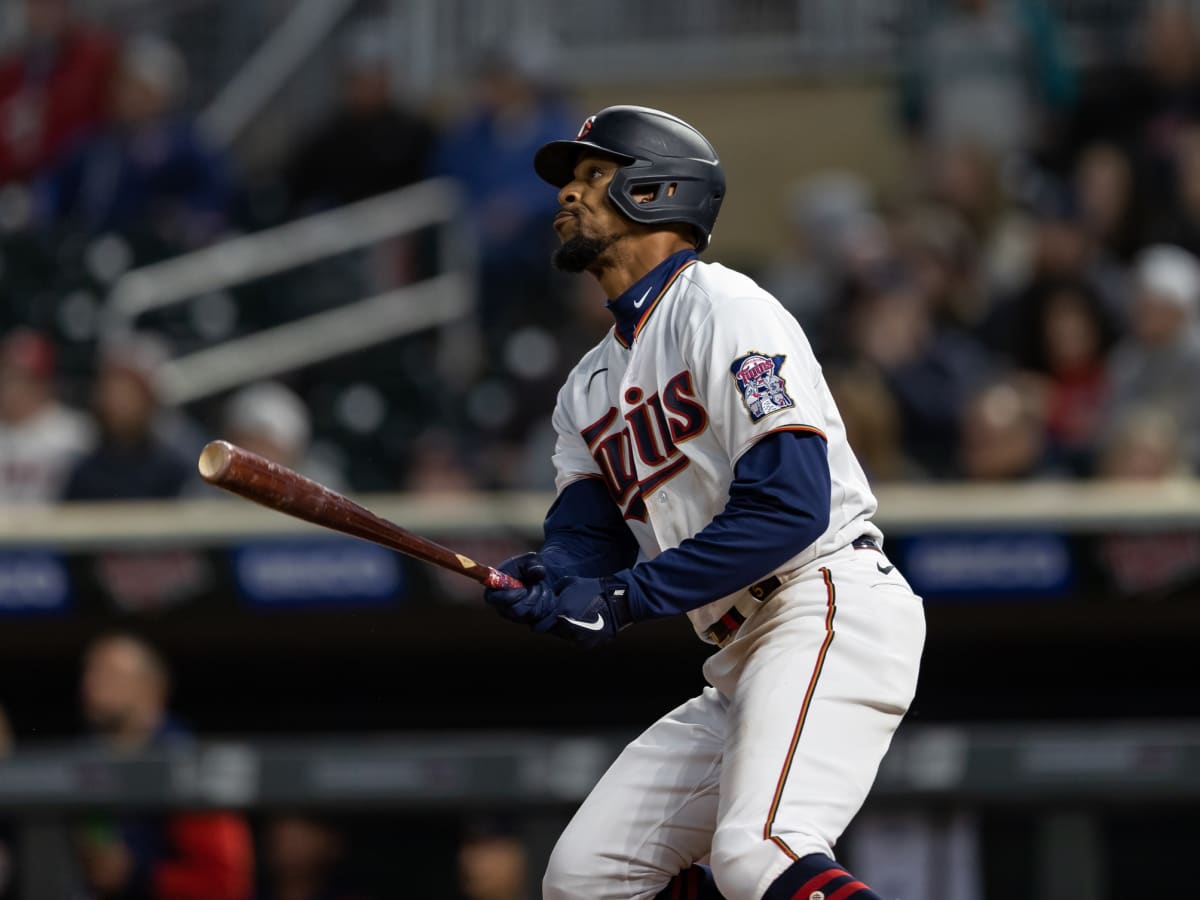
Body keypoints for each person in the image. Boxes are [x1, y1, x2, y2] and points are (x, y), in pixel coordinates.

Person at [482, 106, 925, 900]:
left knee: (763, 851)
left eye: (592, 175)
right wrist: (552, 578)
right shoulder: (587, 383)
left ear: (657, 190)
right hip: (741, 654)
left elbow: (789, 506)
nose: (568, 197)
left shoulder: (723, 307)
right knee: (586, 879)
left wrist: (623, 597)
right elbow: (592, 535)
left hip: (824, 602)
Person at [76, 633, 254, 899]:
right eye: (90, 672)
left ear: (151, 687)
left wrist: (136, 874)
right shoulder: (87, 759)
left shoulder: (186, 762)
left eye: (109, 673)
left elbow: (224, 885)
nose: (92, 684)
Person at [0, 0, 117, 184]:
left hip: (73, 179)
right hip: (15, 181)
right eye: (36, 6)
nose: (44, 14)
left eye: (52, 5)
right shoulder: (11, 69)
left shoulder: (96, 57)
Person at [61, 333, 189, 501]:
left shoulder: (173, 469)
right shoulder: (84, 472)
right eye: (112, 392)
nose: (119, 403)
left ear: (149, 398)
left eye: (129, 393)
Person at [0, 327, 94, 504]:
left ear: (44, 383)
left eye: (21, 379)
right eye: (6, 376)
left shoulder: (74, 433)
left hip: (57, 528)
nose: (9, 388)